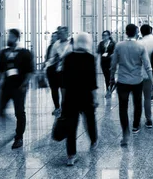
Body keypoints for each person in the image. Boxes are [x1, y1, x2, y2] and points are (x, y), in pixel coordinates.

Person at [110, 24, 153, 146]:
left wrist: (111, 79)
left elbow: (113, 65)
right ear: (136, 32)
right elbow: (147, 66)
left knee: (123, 107)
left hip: (123, 81)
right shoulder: (140, 46)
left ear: (126, 32)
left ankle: (125, 133)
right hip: (137, 80)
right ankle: (135, 125)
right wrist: (152, 82)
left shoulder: (119, 46)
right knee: (137, 103)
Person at [0, 29, 34, 150]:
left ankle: (19, 137)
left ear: (16, 38)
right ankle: (13, 129)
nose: (8, 38)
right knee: (0, 111)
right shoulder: (3, 53)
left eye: (10, 36)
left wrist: (24, 84)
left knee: (19, 112)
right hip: (6, 86)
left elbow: (30, 71)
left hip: (19, 87)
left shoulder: (25, 53)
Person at [62, 32, 98, 166]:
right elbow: (92, 81)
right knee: (90, 120)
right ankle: (93, 140)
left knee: (71, 126)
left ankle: (71, 155)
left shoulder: (68, 57)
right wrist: (94, 98)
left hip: (71, 96)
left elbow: (64, 81)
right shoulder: (90, 58)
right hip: (86, 96)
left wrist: (63, 99)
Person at [45, 26, 72, 116]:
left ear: (66, 33)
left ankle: (64, 107)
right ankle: (57, 107)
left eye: (61, 33)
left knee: (64, 89)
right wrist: (54, 59)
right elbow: (50, 57)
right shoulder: (56, 44)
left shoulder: (71, 44)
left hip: (65, 71)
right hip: (54, 71)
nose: (59, 35)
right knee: (54, 89)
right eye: (59, 33)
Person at [97, 30, 116, 98]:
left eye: (105, 35)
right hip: (103, 62)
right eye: (103, 35)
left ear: (109, 36)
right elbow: (98, 52)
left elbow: (116, 52)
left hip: (111, 62)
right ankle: (109, 89)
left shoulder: (112, 43)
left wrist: (112, 55)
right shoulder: (101, 43)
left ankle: (110, 90)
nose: (104, 37)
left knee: (110, 76)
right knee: (106, 76)